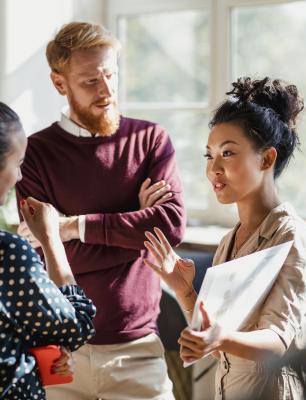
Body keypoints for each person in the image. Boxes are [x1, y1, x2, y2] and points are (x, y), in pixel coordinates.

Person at [16, 22, 185, 399]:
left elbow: (169, 227)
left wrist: (71, 227)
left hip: (138, 351)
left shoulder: (150, 140)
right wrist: (135, 234)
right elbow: (45, 257)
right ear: (60, 83)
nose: (107, 91)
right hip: (61, 356)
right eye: (91, 81)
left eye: (111, 75)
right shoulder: (33, 155)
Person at [144, 77, 306, 399]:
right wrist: (184, 289)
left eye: (227, 153)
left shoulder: (293, 237)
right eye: (208, 155)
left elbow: (277, 342)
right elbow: (216, 344)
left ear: (267, 159)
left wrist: (220, 338)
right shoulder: (230, 240)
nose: (213, 169)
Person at [0, 102, 96, 400]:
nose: (18, 178)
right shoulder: (9, 254)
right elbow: (76, 326)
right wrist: (52, 238)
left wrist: (30, 349)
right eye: (17, 164)